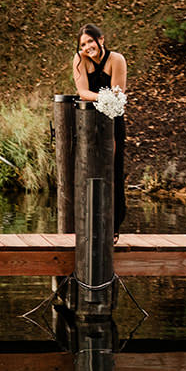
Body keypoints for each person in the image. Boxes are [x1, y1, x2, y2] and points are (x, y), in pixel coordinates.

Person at [72, 24, 128, 234]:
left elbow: (118, 93)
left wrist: (106, 98)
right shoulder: (79, 59)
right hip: (88, 123)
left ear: (101, 40)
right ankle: (87, 225)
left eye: (90, 42)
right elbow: (83, 91)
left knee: (112, 169)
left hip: (113, 120)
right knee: (89, 169)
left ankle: (113, 225)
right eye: (83, 44)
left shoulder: (117, 59)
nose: (87, 47)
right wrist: (103, 97)